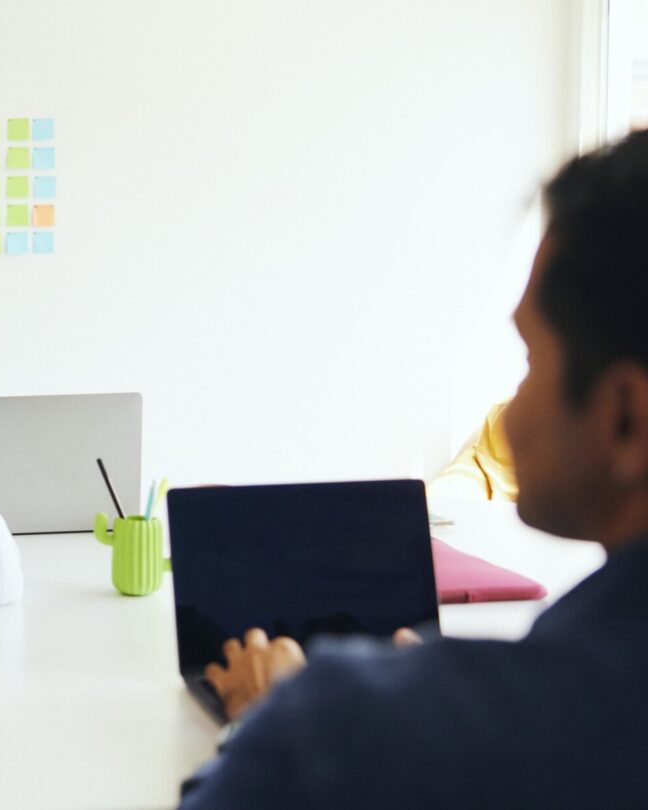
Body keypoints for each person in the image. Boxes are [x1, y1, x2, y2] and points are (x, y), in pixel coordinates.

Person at [180, 129, 648, 807]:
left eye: (528, 362)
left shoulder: (342, 734)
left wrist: (280, 716)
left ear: (625, 418)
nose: (509, 416)